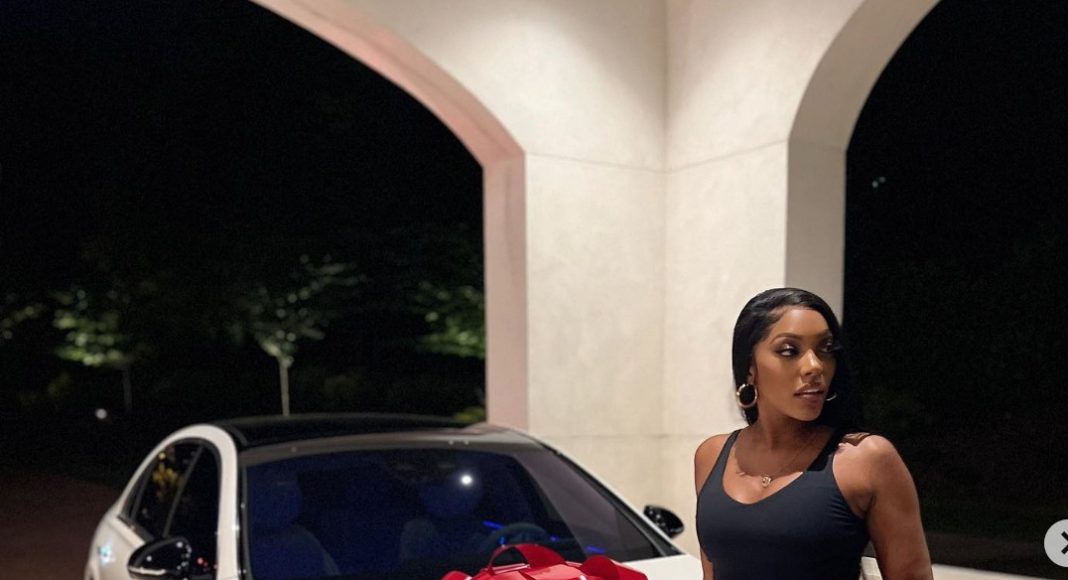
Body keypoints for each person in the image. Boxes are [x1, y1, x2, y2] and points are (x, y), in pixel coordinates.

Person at [694, 288, 932, 580]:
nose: (815, 366)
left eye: (825, 349)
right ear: (750, 368)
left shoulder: (865, 459)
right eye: (789, 351)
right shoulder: (711, 455)